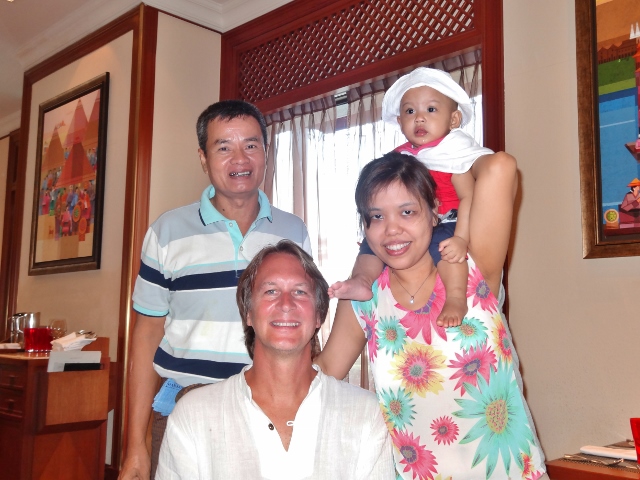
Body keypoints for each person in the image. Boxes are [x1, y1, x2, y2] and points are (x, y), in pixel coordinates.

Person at [316, 152, 548, 479]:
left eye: (407, 212)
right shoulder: (364, 297)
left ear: (435, 211)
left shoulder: (471, 268)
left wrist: (436, 148)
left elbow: (502, 167)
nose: (392, 230)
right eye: (377, 216)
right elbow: (324, 373)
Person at [119, 100, 312, 480]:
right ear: (204, 159)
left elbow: (304, 328)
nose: (240, 158)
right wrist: (135, 445)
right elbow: (146, 336)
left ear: (266, 153)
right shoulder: (167, 232)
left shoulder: (293, 232)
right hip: (184, 411)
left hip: (271, 414)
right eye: (224, 147)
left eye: (251, 145)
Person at [155, 240, 394, 479]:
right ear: (248, 313)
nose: (286, 304)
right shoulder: (193, 415)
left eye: (300, 292)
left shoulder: (365, 414)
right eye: (271, 291)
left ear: (319, 316)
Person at [330, 67, 499, 328]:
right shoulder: (401, 157)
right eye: (410, 112)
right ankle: (362, 281)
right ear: (400, 122)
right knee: (368, 247)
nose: (419, 118)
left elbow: (469, 198)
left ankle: (456, 297)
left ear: (453, 119)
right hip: (419, 223)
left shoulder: (455, 154)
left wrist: (462, 238)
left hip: (448, 221)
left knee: (446, 251)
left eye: (431, 109)